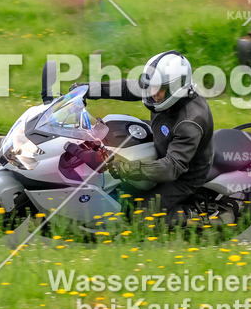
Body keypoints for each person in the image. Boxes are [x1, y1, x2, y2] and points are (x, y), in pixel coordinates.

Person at [74, 51, 214, 225]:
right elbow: (128, 88)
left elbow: (172, 168)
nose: (152, 93)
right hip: (162, 143)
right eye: (151, 87)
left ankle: (193, 216)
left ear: (176, 88)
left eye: (158, 89)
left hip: (184, 175)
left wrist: (127, 169)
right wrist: (87, 89)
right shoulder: (159, 88)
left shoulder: (190, 122)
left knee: (138, 217)